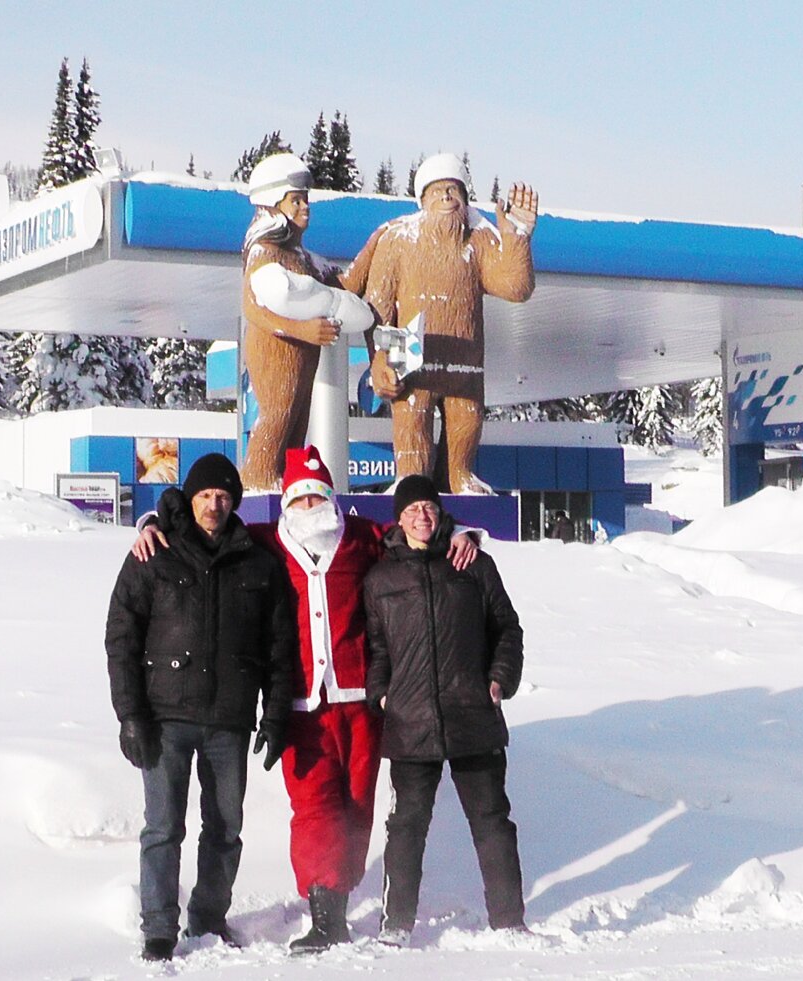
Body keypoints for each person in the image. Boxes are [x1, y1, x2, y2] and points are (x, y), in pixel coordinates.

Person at [131, 446, 480, 953]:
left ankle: (337, 899)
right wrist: (147, 521)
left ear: (331, 499)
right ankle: (322, 910)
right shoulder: (264, 543)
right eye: (300, 496)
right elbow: (204, 533)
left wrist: (464, 534)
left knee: (357, 805)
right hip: (298, 705)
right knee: (313, 807)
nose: (310, 504)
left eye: (319, 494)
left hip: (361, 699)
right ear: (287, 502)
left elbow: (415, 533)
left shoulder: (361, 538)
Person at [105, 453, 295, 962]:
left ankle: (208, 918)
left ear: (234, 502)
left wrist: (275, 715)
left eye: (224, 496)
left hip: (229, 721)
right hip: (164, 718)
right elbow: (121, 637)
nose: (214, 504)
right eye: (206, 495)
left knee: (226, 827)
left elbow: (281, 647)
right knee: (164, 828)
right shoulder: (156, 552)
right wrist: (130, 715)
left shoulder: (257, 561)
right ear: (190, 498)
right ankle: (160, 928)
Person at [363, 475, 526, 947]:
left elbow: (507, 628)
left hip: (472, 713)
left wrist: (500, 678)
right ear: (399, 518)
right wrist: (382, 695)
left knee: (492, 822)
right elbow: (376, 647)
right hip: (410, 722)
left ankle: (508, 920)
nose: (422, 516)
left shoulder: (472, 563)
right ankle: (396, 924)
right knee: (406, 828)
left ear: (441, 514)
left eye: (429, 508)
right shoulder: (381, 578)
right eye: (412, 509)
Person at [365, 153, 538, 492]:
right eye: (437, 190)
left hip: (465, 369)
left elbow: (516, 288)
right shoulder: (398, 239)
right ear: (422, 198)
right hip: (411, 364)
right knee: (413, 428)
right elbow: (379, 307)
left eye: (453, 189)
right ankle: (411, 483)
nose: (446, 197)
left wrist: (517, 235)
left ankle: (460, 476)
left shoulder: (480, 240)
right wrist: (379, 358)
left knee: (465, 426)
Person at [238, 152, 385, 491]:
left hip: (304, 352)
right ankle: (258, 479)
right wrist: (300, 329)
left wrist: (374, 244)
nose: (305, 207)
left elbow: (345, 283)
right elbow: (253, 306)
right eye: (296, 200)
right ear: (273, 205)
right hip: (275, 347)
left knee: (298, 419)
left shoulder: (305, 258)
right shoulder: (264, 251)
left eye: (306, 200)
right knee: (277, 413)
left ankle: (286, 479)